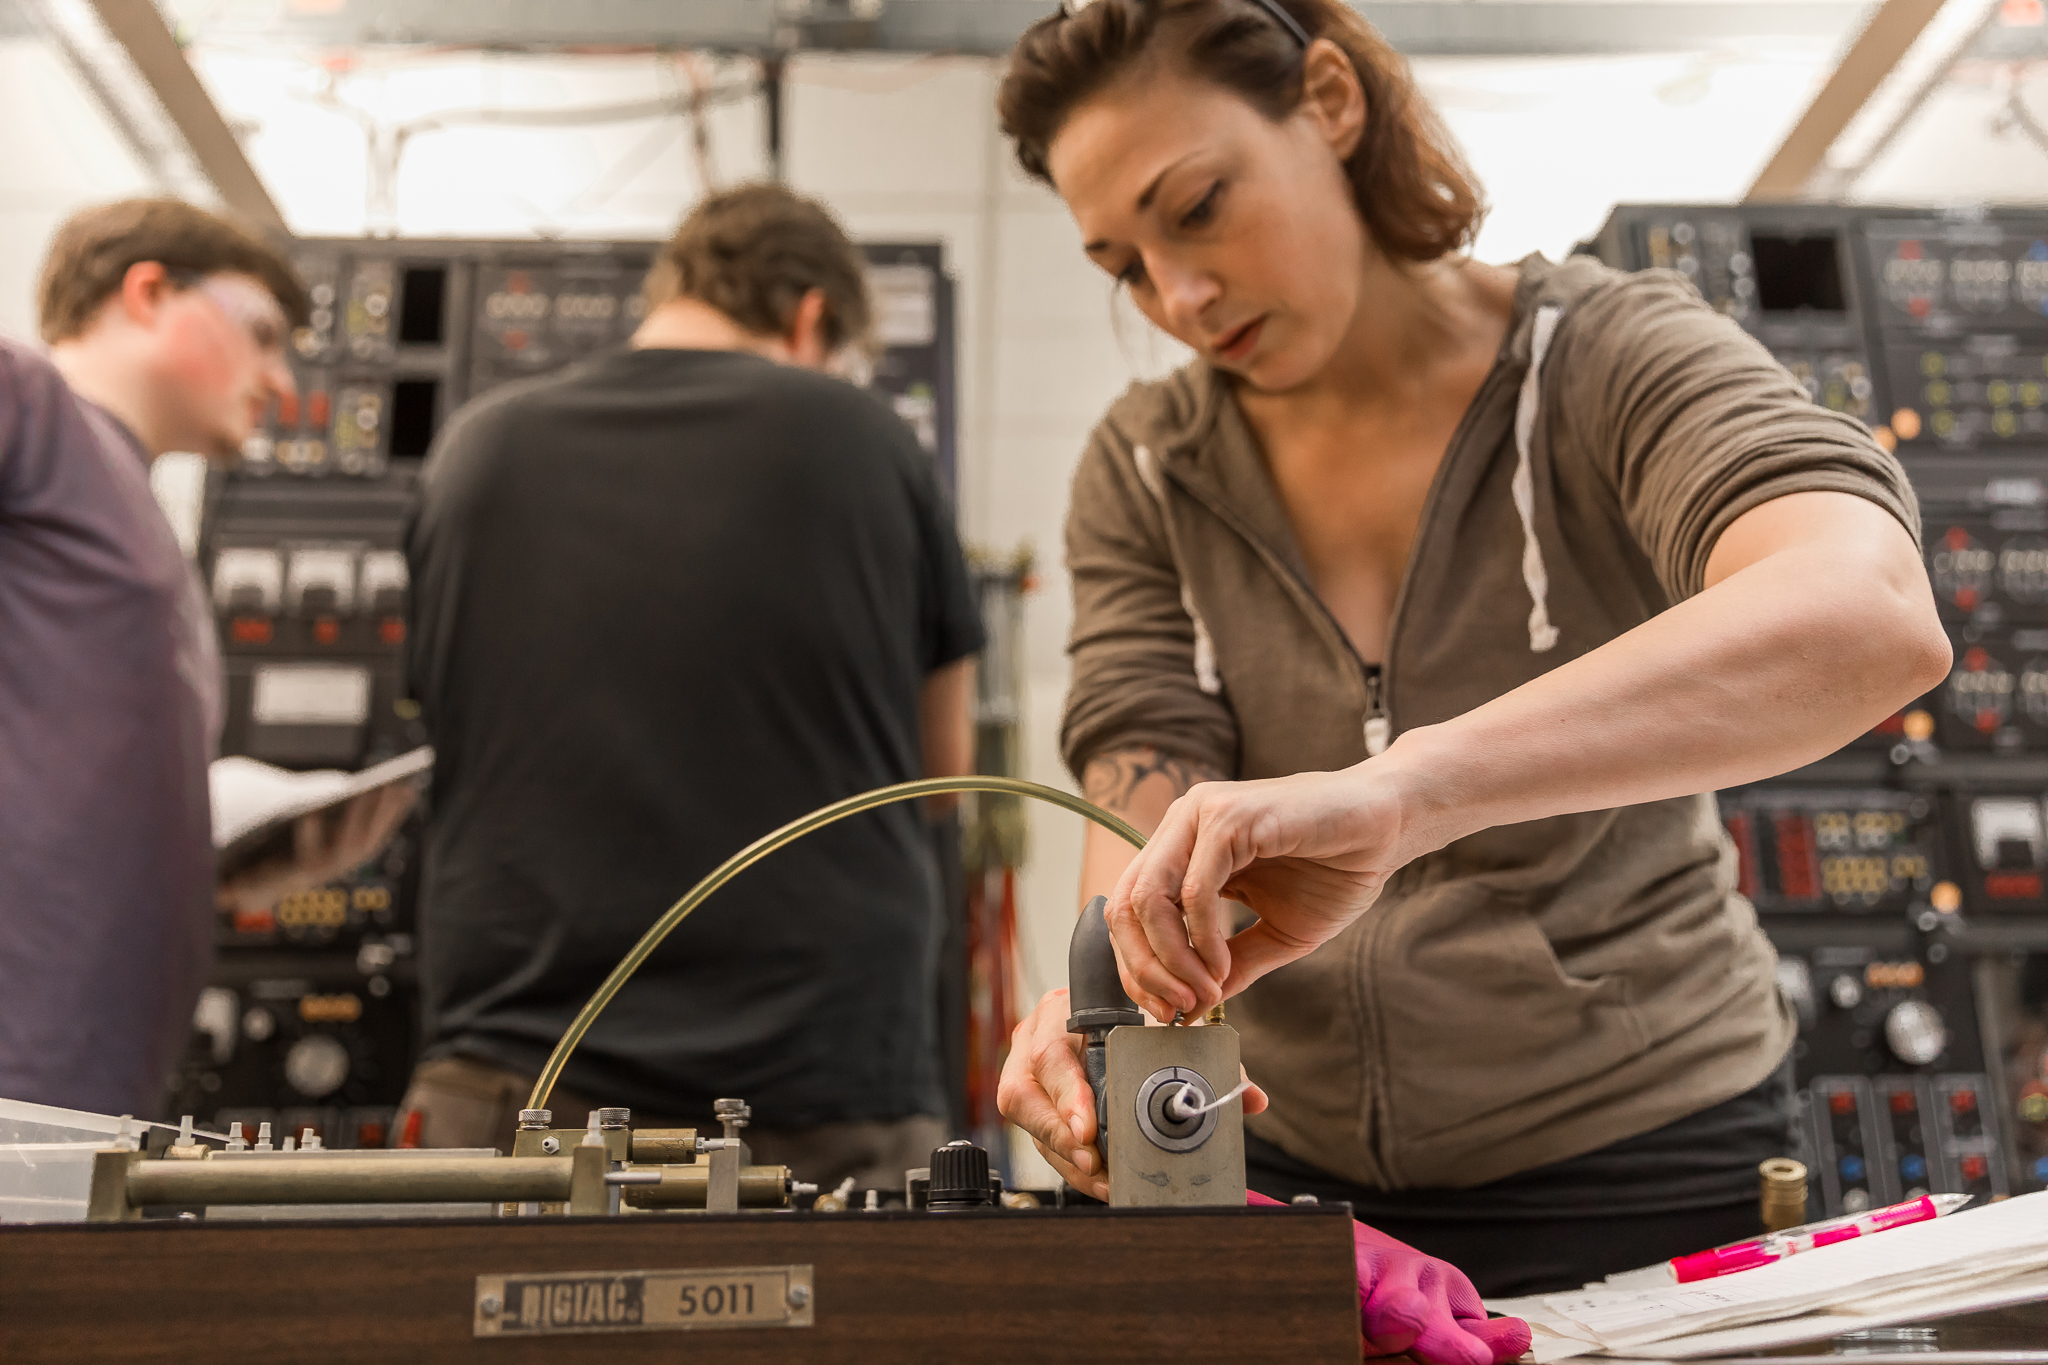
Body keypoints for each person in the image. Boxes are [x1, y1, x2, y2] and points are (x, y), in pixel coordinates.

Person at [993, 0, 1947, 1315]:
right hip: (1288, 1175)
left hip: (1649, 1162)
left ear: (1330, 100)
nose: (1180, 296)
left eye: (1199, 205)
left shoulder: (1600, 359)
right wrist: (1102, 983)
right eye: (1126, 264)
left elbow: (1869, 609)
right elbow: (1144, 751)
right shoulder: (1147, 466)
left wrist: (1407, 790)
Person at [398, 184, 982, 1189]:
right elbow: (941, 772)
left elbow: (439, 717)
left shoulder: (478, 448)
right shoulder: (868, 439)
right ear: (811, 316)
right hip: (825, 1092)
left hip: (513, 1083)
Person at [0, 198, 415, 1118]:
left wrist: (211, 857)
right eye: (261, 333)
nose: (278, 377)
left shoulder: (129, 503)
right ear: (146, 291)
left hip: (87, 1094)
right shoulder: (30, 407)